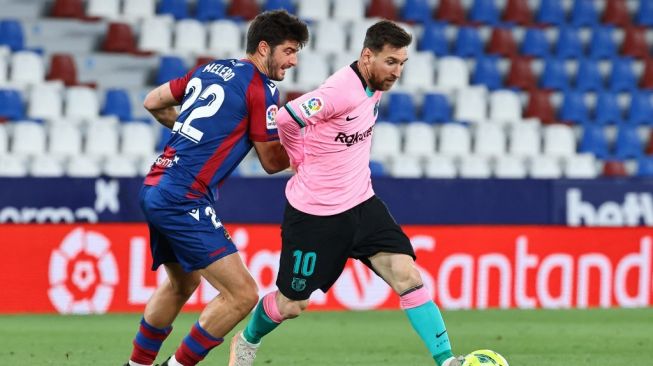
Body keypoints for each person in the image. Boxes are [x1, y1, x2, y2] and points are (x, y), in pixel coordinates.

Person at [228, 20, 464, 366]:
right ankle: (247, 340)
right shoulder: (339, 91)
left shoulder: (375, 83)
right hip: (315, 214)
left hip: (362, 203)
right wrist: (297, 158)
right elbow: (287, 118)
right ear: (367, 56)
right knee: (292, 304)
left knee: (408, 275)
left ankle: (446, 360)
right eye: (390, 62)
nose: (397, 72)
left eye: (402, 64)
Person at [123, 10, 308, 366]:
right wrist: (310, 150)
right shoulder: (262, 88)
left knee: (182, 284)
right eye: (288, 51)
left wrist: (192, 134)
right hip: (183, 196)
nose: (293, 61)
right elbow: (271, 162)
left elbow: (152, 101)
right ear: (264, 48)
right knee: (242, 295)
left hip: (156, 184)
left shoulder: (209, 69)